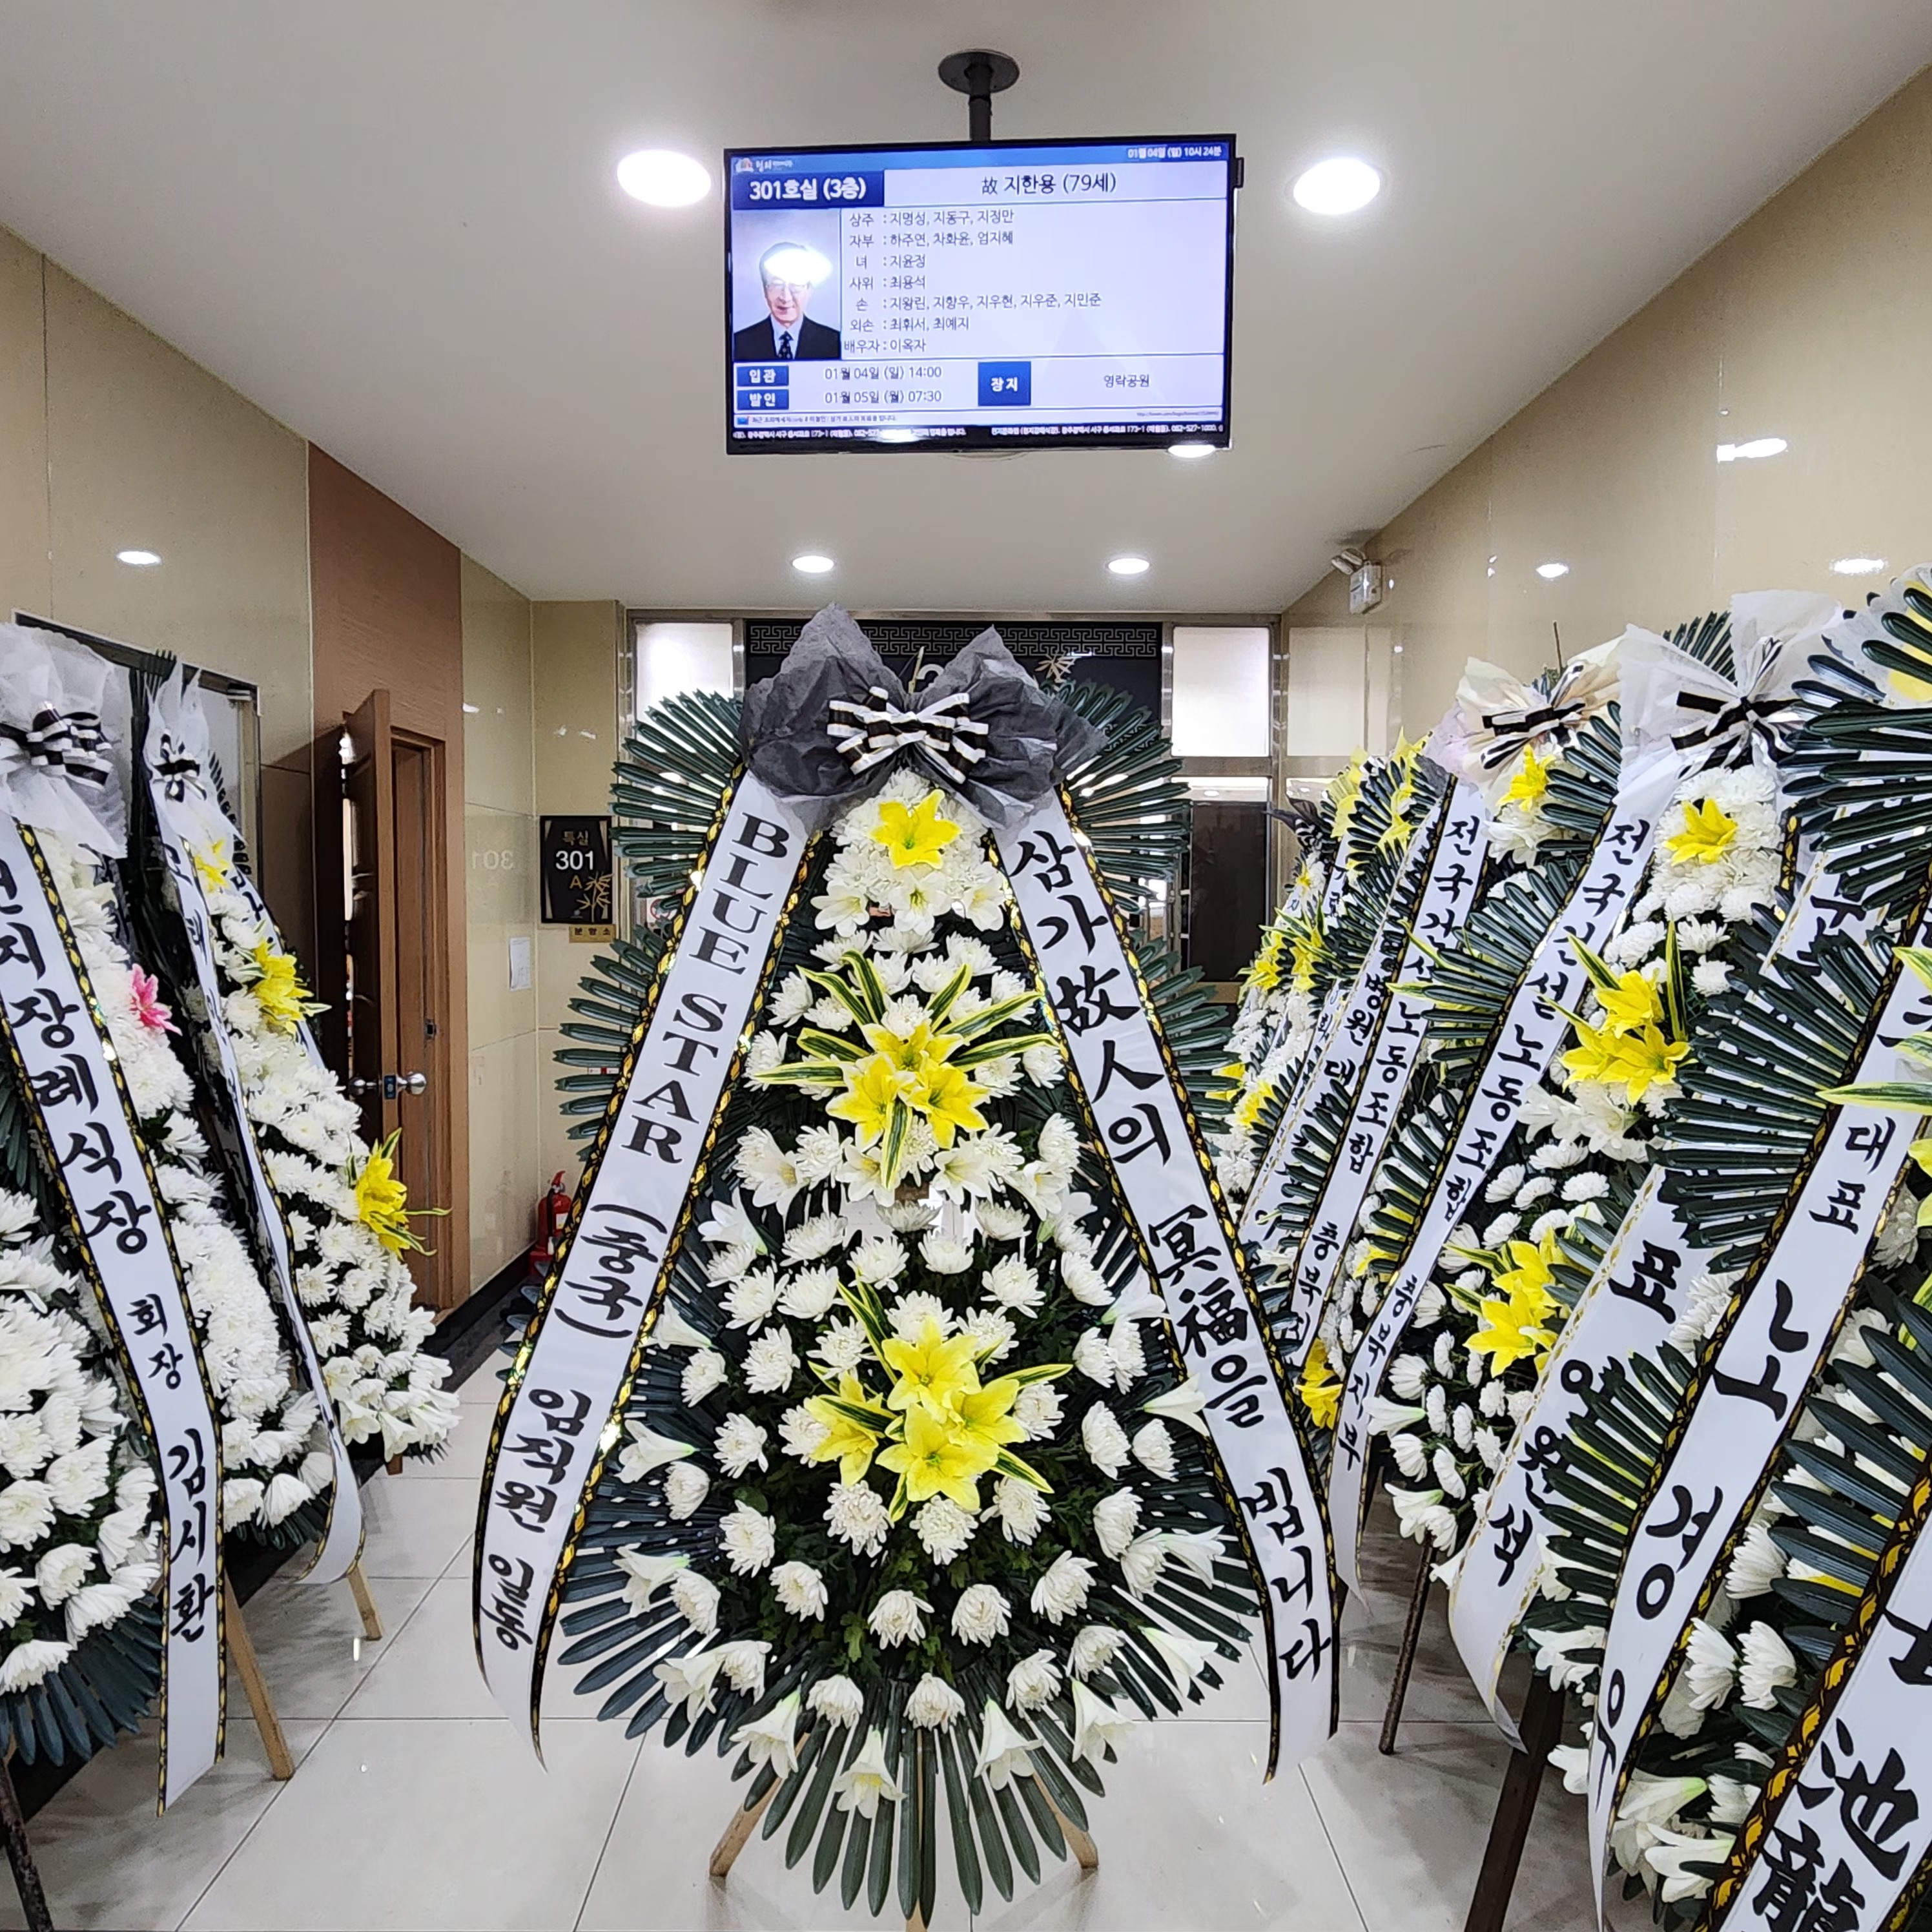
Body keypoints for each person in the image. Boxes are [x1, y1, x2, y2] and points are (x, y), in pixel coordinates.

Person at [733, 242, 841, 361]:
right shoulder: (739, 343)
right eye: (777, 285)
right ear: (765, 290)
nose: (786, 297)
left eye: (796, 285)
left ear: (809, 290)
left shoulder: (834, 343)